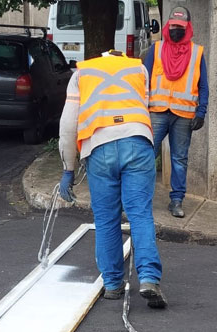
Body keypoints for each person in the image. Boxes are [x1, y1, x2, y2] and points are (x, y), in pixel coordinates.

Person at [58, 49, 167, 308]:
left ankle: (112, 283)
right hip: (137, 142)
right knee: (140, 213)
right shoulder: (139, 69)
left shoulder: (82, 73)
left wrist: (68, 169)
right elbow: (145, 107)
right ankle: (149, 277)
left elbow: (68, 124)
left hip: (99, 146)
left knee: (106, 218)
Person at [145, 6, 208, 218]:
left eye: (180, 27)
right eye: (172, 27)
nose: (175, 31)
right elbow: (142, 79)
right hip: (157, 111)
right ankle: (140, 198)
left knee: (179, 159)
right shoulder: (157, 49)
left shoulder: (197, 53)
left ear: (187, 28)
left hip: (184, 115)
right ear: (167, 26)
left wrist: (201, 112)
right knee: (145, 155)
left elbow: (203, 86)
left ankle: (177, 201)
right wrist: (141, 107)